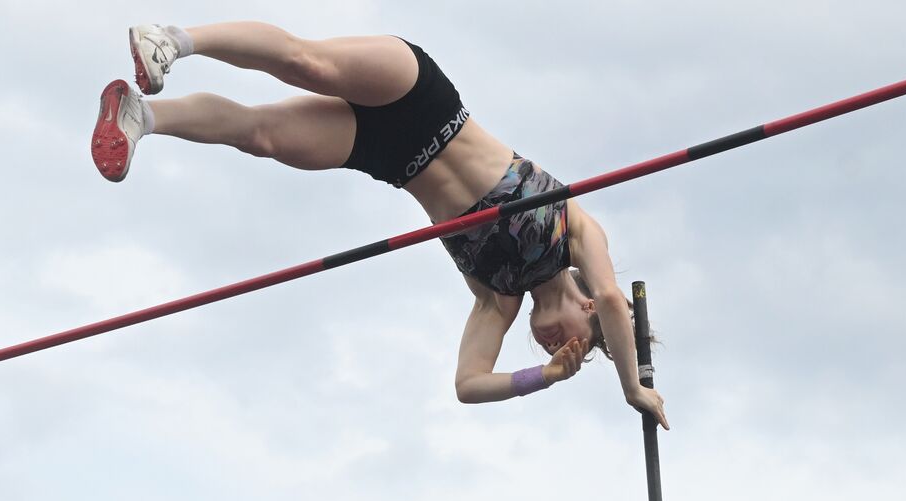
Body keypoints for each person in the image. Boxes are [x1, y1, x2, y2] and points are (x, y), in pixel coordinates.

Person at [91, 22, 667, 429]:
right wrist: (633, 389)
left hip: (391, 157)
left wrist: (545, 376)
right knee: (305, 62)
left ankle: (141, 116)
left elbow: (468, 386)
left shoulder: (498, 299)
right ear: (587, 309)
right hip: (426, 103)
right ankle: (174, 40)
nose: (556, 343)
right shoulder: (576, 228)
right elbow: (617, 300)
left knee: (260, 135)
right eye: (573, 339)